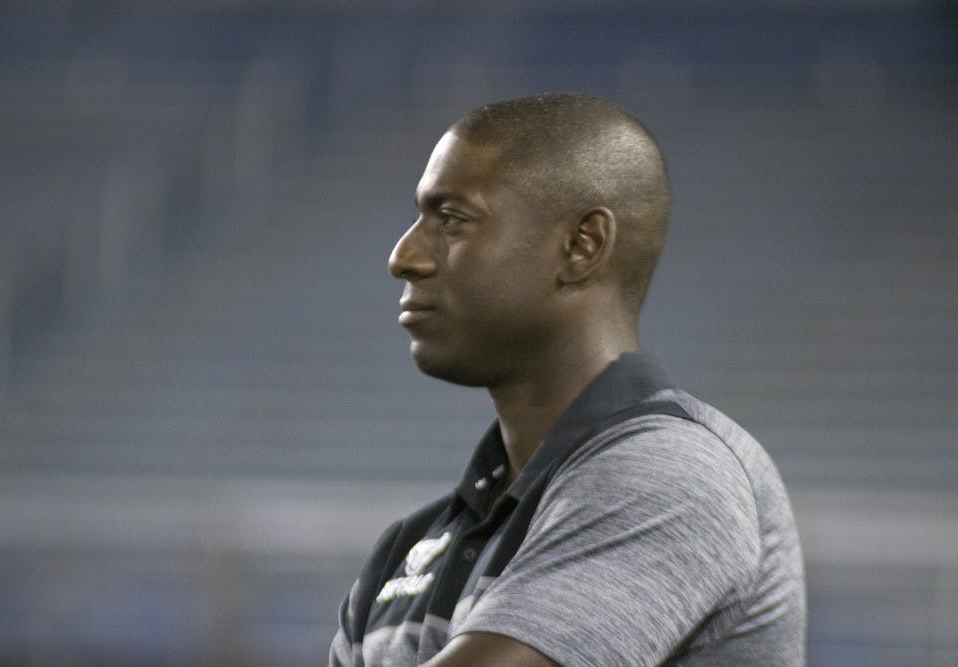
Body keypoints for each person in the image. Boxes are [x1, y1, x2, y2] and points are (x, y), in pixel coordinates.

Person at [328, 93, 805, 667]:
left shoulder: (672, 477)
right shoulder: (407, 550)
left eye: (451, 219)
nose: (404, 256)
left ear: (582, 246)